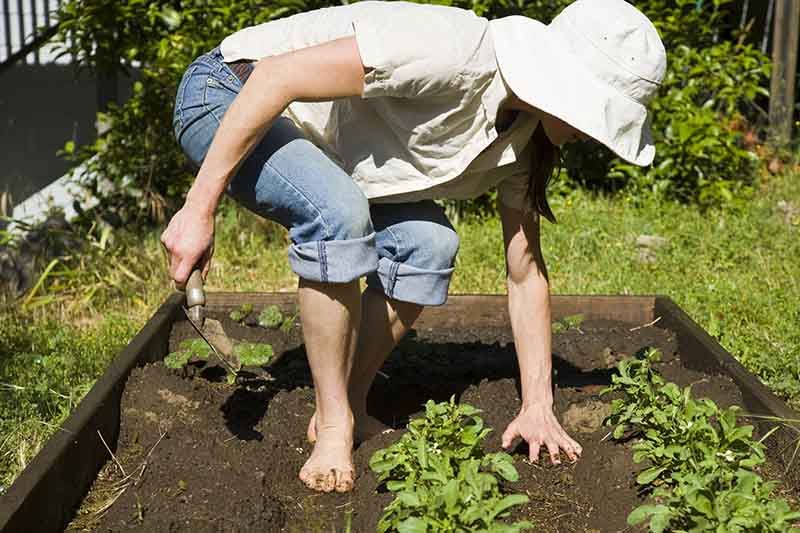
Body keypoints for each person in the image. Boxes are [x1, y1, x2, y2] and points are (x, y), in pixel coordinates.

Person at [161, 0, 666, 493]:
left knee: (427, 244)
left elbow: (525, 272)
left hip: (329, 150)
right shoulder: (452, 51)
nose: (593, 136)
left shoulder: (527, 141)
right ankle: (335, 428)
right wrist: (197, 209)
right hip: (229, 94)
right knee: (336, 214)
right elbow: (275, 78)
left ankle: (345, 406)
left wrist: (538, 403)